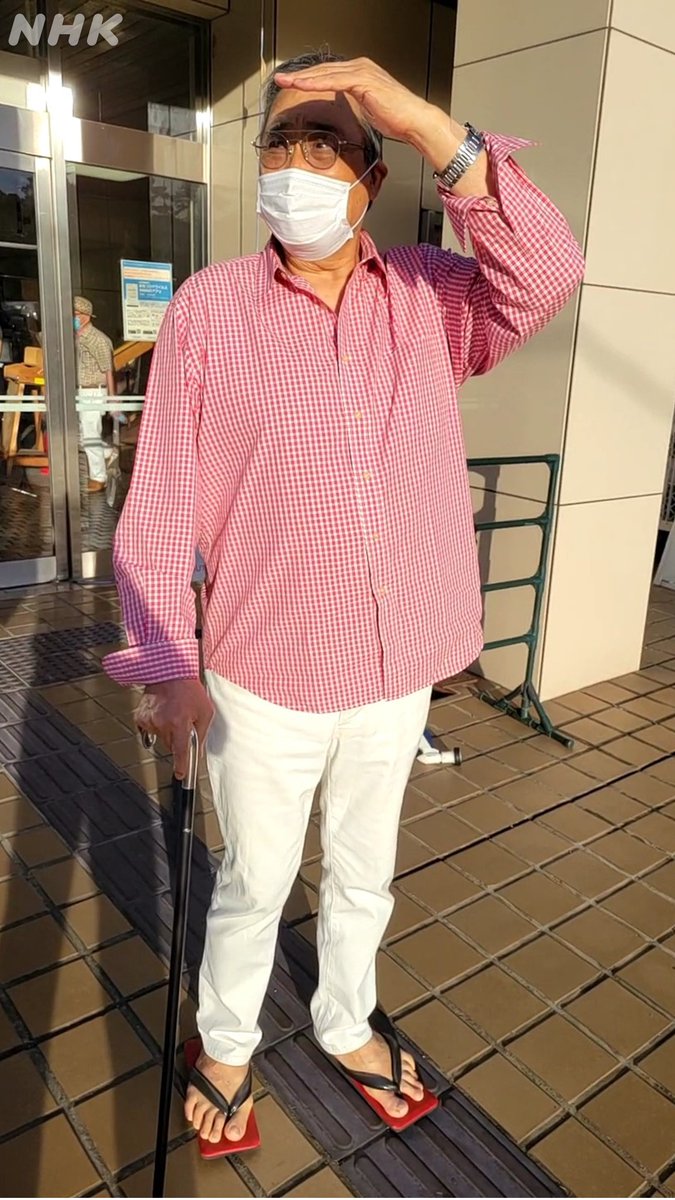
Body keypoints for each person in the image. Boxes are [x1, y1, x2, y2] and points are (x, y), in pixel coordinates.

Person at [105, 52, 584, 1153]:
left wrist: (423, 121)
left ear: (373, 175)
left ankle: (345, 1021)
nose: (297, 165)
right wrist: (166, 665)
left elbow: (548, 271)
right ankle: (227, 1041)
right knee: (255, 880)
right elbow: (163, 492)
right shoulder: (212, 309)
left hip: (395, 665)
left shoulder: (428, 292)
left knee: (365, 875)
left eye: (328, 145)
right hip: (264, 669)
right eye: (280, 143)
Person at [74, 295, 115, 493]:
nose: (72, 318)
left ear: (86, 316)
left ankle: (98, 478)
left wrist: (112, 398)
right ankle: (107, 451)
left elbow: (108, 370)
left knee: (90, 436)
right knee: (82, 435)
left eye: (75, 314)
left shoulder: (98, 340)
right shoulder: (76, 337)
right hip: (80, 390)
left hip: (93, 392)